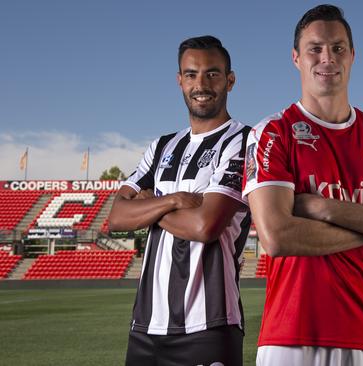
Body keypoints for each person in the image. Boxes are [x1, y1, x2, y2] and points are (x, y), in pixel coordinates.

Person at [243, 4, 363, 366]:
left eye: (338, 48)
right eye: (315, 48)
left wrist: (322, 207)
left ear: (352, 56)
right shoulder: (272, 132)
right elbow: (277, 237)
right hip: (293, 336)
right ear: (296, 58)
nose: (326, 58)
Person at [107, 35, 251, 366]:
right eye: (191, 74)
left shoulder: (243, 141)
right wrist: (174, 200)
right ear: (179, 81)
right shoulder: (162, 147)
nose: (201, 84)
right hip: (144, 327)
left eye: (212, 74)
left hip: (209, 324)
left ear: (230, 80)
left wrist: (149, 205)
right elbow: (116, 217)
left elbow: (206, 225)